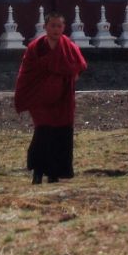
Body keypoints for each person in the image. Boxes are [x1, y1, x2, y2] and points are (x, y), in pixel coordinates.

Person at [13, 10, 87, 184]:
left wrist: (72, 76)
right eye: (52, 26)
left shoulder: (68, 45)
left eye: (59, 26)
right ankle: (38, 171)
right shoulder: (36, 47)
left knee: (61, 132)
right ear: (45, 27)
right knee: (44, 131)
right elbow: (27, 73)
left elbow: (80, 65)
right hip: (40, 97)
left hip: (63, 97)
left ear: (64, 27)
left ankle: (54, 173)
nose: (55, 29)